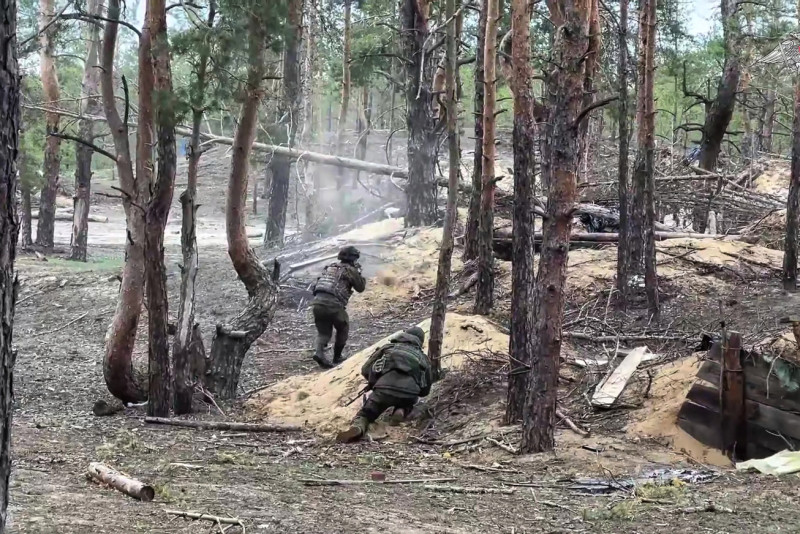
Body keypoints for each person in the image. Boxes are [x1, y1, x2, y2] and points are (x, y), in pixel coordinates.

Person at [337, 326, 432, 443]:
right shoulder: (423, 358)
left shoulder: (387, 348)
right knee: (408, 402)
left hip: (383, 390)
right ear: (420, 341)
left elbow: (365, 369)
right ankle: (402, 410)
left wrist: (374, 382)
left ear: (404, 335)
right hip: (408, 394)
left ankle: (358, 427)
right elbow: (425, 390)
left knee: (366, 414)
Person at [311, 245, 366, 369]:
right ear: (354, 258)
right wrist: (359, 274)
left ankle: (319, 353)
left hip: (317, 303)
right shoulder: (350, 270)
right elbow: (360, 288)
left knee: (323, 332)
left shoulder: (330, 267)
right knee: (343, 327)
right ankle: (337, 356)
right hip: (333, 304)